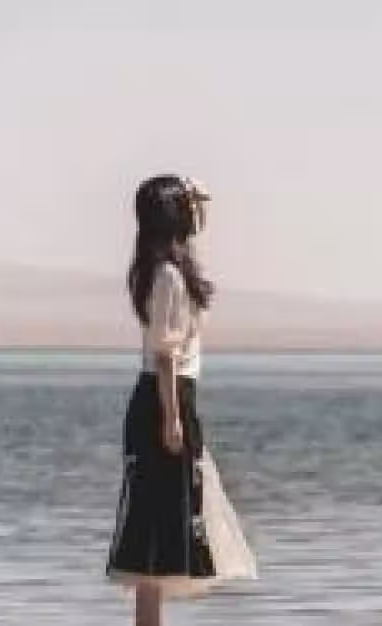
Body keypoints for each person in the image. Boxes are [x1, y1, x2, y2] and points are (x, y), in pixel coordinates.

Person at [106, 175, 257, 626]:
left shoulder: (169, 270)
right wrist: (171, 418)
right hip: (164, 397)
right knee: (152, 530)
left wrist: (193, 195)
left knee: (163, 528)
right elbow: (165, 353)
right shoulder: (168, 275)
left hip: (170, 395)